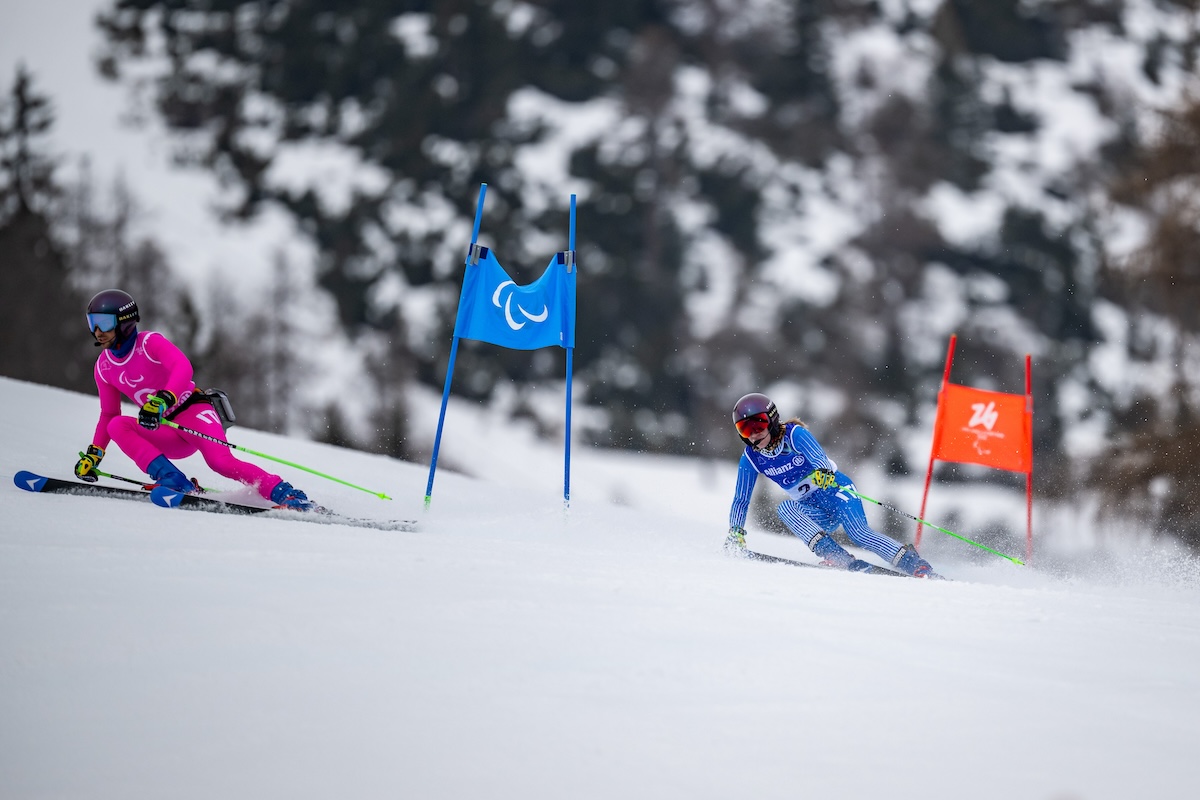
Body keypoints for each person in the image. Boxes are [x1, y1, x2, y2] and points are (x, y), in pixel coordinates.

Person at [73, 289, 315, 511]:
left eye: (104, 323)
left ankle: (288, 495)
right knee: (116, 425)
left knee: (220, 462)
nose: (98, 331)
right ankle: (173, 480)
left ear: (125, 322)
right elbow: (109, 413)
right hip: (166, 430)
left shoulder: (148, 343)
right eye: (92, 323)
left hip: (193, 413)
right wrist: (95, 454)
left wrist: (164, 400)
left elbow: (183, 367)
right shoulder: (104, 367)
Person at [725, 392, 940, 578]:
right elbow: (741, 499)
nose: (754, 433)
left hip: (836, 491)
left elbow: (819, 457)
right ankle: (836, 556)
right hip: (813, 508)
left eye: (759, 424)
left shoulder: (794, 435)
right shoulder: (751, 458)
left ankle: (914, 563)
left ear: (772, 420)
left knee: (858, 534)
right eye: (745, 429)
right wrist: (736, 531)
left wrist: (824, 472)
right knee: (785, 508)